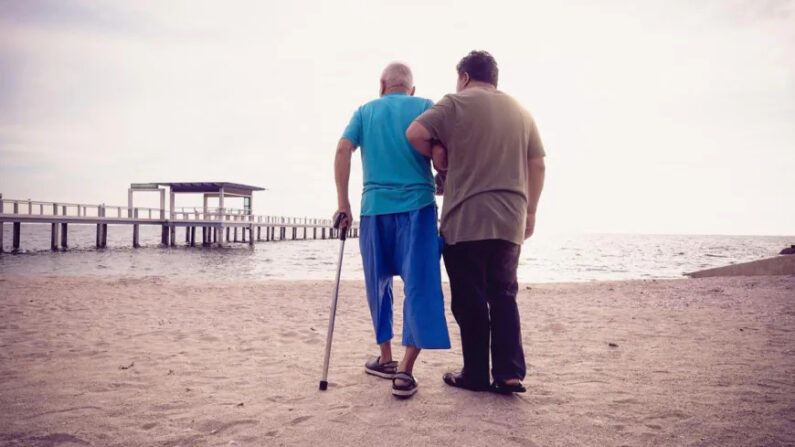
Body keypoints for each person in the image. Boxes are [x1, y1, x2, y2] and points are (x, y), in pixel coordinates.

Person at [406, 50, 546, 394]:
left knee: (469, 299)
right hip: (510, 218)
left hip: (466, 219)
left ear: (465, 76)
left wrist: (442, 157)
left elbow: (415, 132)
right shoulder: (520, 110)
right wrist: (531, 212)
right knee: (503, 295)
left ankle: (476, 374)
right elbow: (538, 164)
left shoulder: (455, 103)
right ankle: (510, 374)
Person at [333, 62, 451, 398]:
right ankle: (404, 371)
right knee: (420, 285)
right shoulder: (425, 106)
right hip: (417, 208)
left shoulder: (365, 111)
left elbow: (343, 149)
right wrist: (442, 177)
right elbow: (440, 152)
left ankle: (385, 357)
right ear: (411, 89)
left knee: (378, 284)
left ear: (382, 85)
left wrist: (344, 204)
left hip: (374, 210)